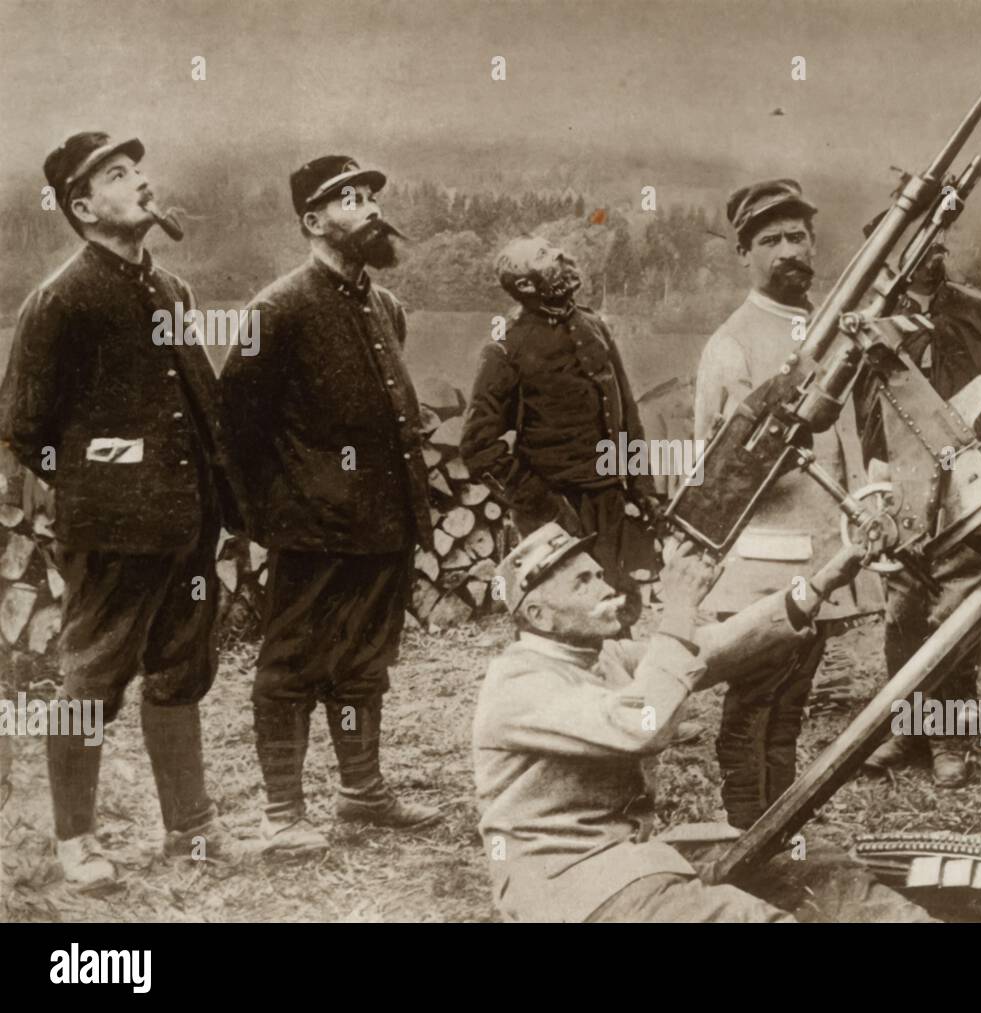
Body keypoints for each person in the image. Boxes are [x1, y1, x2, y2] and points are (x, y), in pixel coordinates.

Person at [0, 133, 248, 887]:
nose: (141, 182)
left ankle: (190, 827)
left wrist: (221, 499)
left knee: (180, 670)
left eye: (138, 169)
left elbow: (200, 401)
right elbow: (25, 428)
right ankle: (76, 840)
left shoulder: (171, 291)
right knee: (90, 680)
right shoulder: (59, 301)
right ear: (83, 206)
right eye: (117, 174)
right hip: (110, 533)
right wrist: (104, 482)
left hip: (186, 525)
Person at [472, 521, 934, 923]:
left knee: (815, 866)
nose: (604, 587)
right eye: (583, 583)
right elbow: (643, 722)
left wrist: (817, 585)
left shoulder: (599, 656)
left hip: (634, 864)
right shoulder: (517, 685)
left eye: (597, 573)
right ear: (538, 615)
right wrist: (677, 609)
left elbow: (705, 650)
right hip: (570, 888)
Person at [221, 155, 439, 857]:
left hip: (384, 523)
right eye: (349, 199)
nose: (370, 207)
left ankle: (362, 790)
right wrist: (276, 514)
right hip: (312, 529)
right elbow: (236, 427)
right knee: (291, 664)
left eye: (371, 194)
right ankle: (282, 812)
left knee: (365, 661)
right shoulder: (275, 309)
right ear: (313, 222)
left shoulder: (386, 307)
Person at [693, 179, 881, 828]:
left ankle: (778, 822)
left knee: (792, 703)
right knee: (753, 703)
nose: (787, 251)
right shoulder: (732, 344)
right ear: (743, 254)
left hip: (823, 550)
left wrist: (861, 506)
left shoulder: (828, 333)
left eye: (797, 236)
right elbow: (717, 472)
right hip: (764, 563)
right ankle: (749, 826)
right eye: (769, 240)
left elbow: (850, 439)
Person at [861, 240, 981, 787]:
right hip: (898, 480)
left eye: (933, 242)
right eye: (911, 244)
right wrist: (875, 472)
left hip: (965, 480)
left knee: (953, 613)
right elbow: (862, 404)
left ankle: (951, 739)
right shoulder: (870, 319)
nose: (925, 254)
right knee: (902, 611)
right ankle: (907, 728)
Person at [461, 237, 659, 626]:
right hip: (554, 515)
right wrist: (542, 504)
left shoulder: (595, 326)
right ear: (525, 286)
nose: (559, 255)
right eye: (543, 256)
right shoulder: (505, 348)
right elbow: (477, 446)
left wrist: (642, 487)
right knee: (560, 622)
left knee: (616, 612)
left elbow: (627, 416)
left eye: (551, 248)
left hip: (608, 503)